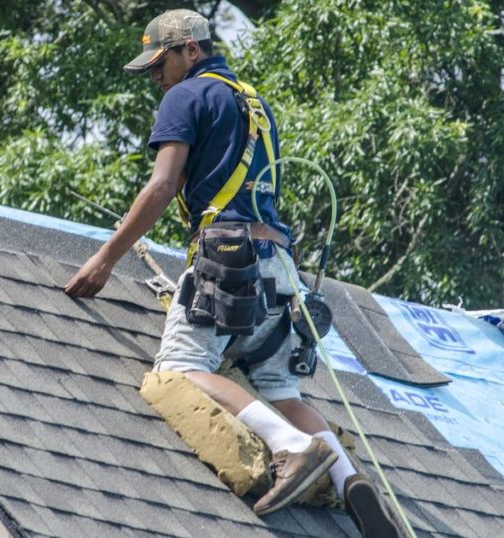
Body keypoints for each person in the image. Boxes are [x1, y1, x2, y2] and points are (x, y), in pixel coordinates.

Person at [64, 9, 402, 537]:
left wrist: (104, 259)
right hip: (279, 271)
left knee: (180, 366)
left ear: (191, 50)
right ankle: (348, 477)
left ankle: (293, 449)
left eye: (160, 63)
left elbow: (161, 185)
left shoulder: (187, 96)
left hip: (227, 260)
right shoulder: (254, 102)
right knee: (278, 388)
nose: (156, 77)